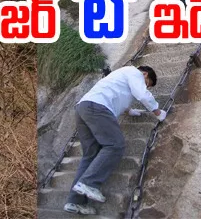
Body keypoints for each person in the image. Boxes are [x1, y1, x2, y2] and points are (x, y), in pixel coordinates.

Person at [63, 66, 166, 215]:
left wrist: (130, 111)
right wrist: (157, 112)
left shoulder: (119, 75)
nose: (146, 86)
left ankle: (74, 202)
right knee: (115, 145)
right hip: (98, 108)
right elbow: (142, 95)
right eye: (147, 83)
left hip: (83, 108)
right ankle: (89, 183)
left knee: (90, 155)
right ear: (144, 74)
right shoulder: (135, 72)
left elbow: (118, 94)